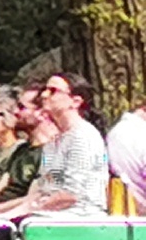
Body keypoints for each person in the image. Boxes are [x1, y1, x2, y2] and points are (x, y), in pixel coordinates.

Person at [27, 72, 111, 213]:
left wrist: (25, 211)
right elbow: (45, 188)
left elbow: (71, 196)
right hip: (47, 217)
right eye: (44, 90)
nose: (44, 95)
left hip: (77, 220)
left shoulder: (83, 136)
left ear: (75, 102)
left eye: (53, 91)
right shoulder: (54, 140)